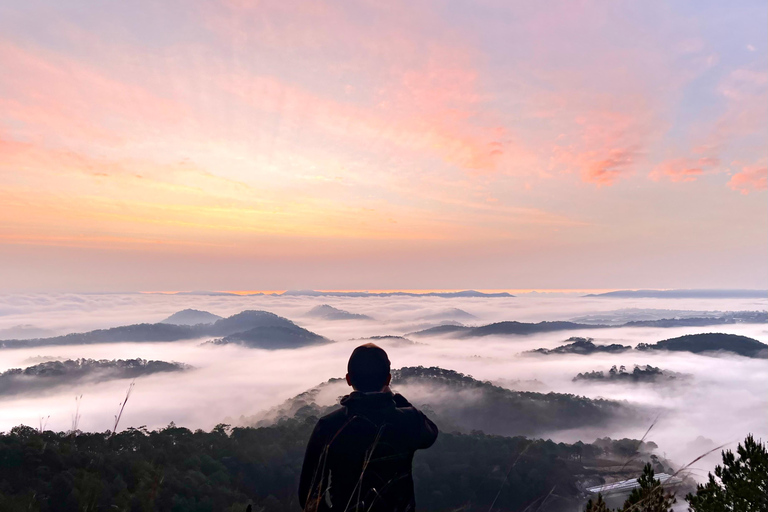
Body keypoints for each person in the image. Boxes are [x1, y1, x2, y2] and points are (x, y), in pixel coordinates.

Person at [298, 343, 438, 512]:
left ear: (348, 379)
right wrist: (397, 399)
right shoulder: (409, 420)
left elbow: (308, 494)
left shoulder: (329, 426)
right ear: (388, 379)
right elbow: (431, 434)